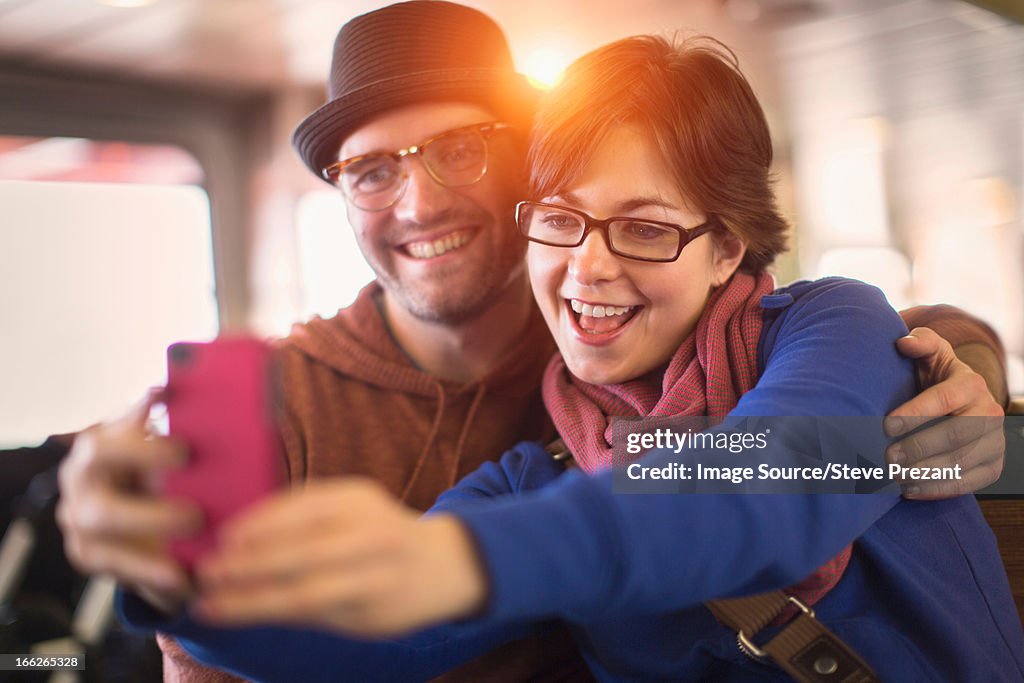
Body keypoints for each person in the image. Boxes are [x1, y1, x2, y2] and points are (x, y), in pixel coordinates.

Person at [56, 2, 1010, 681]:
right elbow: (349, 642)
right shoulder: (540, 472)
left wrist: (455, 561)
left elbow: (763, 484)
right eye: (561, 220)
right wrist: (171, 576)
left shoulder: (830, 324)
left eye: (644, 227)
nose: (587, 270)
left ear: (726, 247)